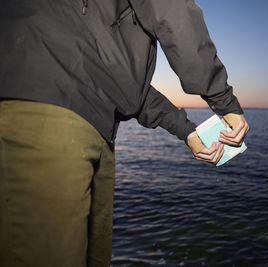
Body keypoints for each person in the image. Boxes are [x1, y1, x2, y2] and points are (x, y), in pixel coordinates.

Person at [0, 0, 249, 266]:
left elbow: (126, 86)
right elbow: (171, 10)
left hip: (90, 124)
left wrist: (187, 132)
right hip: (45, 107)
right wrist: (222, 98)